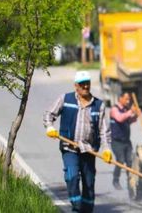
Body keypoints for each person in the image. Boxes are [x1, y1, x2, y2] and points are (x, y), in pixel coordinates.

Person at [43, 70, 112, 213]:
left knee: (89, 184)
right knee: (72, 176)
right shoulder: (65, 99)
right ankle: (76, 208)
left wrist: (106, 149)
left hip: (89, 150)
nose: (85, 86)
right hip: (69, 147)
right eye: (82, 84)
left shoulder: (99, 105)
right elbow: (49, 114)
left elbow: (104, 131)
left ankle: (86, 210)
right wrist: (50, 127)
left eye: (87, 83)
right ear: (76, 85)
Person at [110, 92, 139, 192]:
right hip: (117, 141)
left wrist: (136, 115)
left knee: (130, 162)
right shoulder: (114, 109)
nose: (128, 101)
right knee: (120, 160)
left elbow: (129, 120)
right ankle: (116, 180)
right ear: (120, 98)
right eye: (126, 99)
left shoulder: (126, 109)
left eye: (129, 99)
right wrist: (130, 111)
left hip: (127, 141)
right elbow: (120, 118)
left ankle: (130, 183)